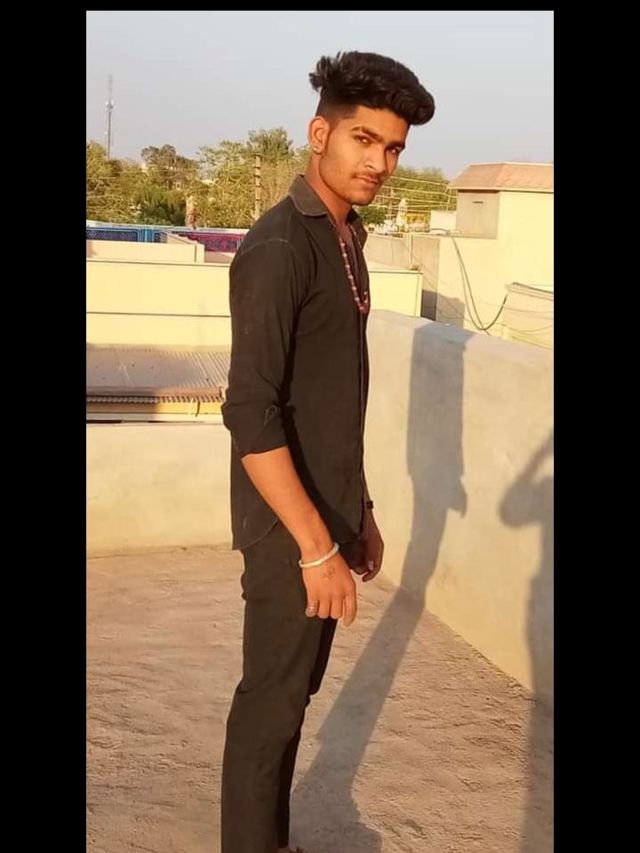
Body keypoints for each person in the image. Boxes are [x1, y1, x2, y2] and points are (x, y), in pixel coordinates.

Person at [220, 50, 435, 853]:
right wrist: (315, 548)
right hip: (288, 526)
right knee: (270, 706)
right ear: (320, 134)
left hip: (328, 514)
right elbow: (250, 413)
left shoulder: (346, 237)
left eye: (394, 148)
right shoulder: (281, 246)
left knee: (292, 699)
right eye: (364, 140)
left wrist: (359, 511)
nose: (380, 162)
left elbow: (334, 399)